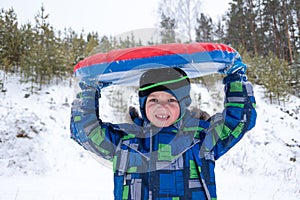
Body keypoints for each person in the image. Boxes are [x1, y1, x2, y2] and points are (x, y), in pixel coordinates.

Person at [70, 64, 257, 199]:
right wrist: (89, 89)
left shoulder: (202, 138)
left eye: (171, 100)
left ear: (183, 104)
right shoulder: (125, 141)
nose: (162, 108)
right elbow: (84, 131)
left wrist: (235, 78)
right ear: (143, 105)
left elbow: (239, 119)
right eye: (153, 100)